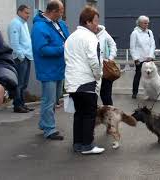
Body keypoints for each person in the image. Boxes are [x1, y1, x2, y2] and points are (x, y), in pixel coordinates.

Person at [64, 6, 105, 154]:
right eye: (95, 21)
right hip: (86, 81)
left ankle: (78, 144)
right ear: (88, 22)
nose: (97, 24)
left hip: (72, 82)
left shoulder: (71, 37)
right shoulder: (90, 38)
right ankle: (87, 146)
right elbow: (94, 61)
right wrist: (98, 75)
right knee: (89, 114)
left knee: (79, 113)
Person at [31, 0, 69, 140]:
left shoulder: (59, 23)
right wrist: (62, 49)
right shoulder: (39, 27)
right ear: (53, 11)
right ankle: (49, 129)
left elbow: (68, 39)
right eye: (61, 11)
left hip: (59, 68)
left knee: (54, 99)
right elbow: (41, 50)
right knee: (49, 100)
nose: (62, 14)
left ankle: (44, 123)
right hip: (48, 69)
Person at [7, 5, 34, 113]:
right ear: (19, 12)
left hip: (26, 57)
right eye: (26, 13)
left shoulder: (23, 23)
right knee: (19, 83)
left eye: (29, 13)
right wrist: (21, 56)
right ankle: (17, 105)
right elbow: (14, 43)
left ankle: (22, 104)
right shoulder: (15, 23)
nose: (28, 15)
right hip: (20, 58)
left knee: (24, 83)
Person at [130, 15, 156, 99]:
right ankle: (134, 92)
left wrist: (151, 55)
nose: (147, 25)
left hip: (149, 58)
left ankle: (151, 93)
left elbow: (153, 44)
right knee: (138, 75)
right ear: (140, 23)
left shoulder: (150, 32)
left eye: (147, 23)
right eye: (145, 23)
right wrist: (136, 59)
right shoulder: (135, 33)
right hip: (140, 59)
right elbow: (132, 47)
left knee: (152, 77)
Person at [0, 24, 17, 107]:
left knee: (22, 86)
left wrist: (3, 84)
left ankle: (19, 104)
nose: (28, 15)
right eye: (26, 12)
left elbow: (1, 58)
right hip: (21, 56)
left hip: (24, 57)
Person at [97, 24, 117, 105]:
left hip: (105, 66)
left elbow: (113, 45)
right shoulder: (87, 34)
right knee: (92, 95)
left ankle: (109, 112)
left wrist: (110, 58)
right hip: (92, 67)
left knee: (106, 94)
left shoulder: (104, 33)